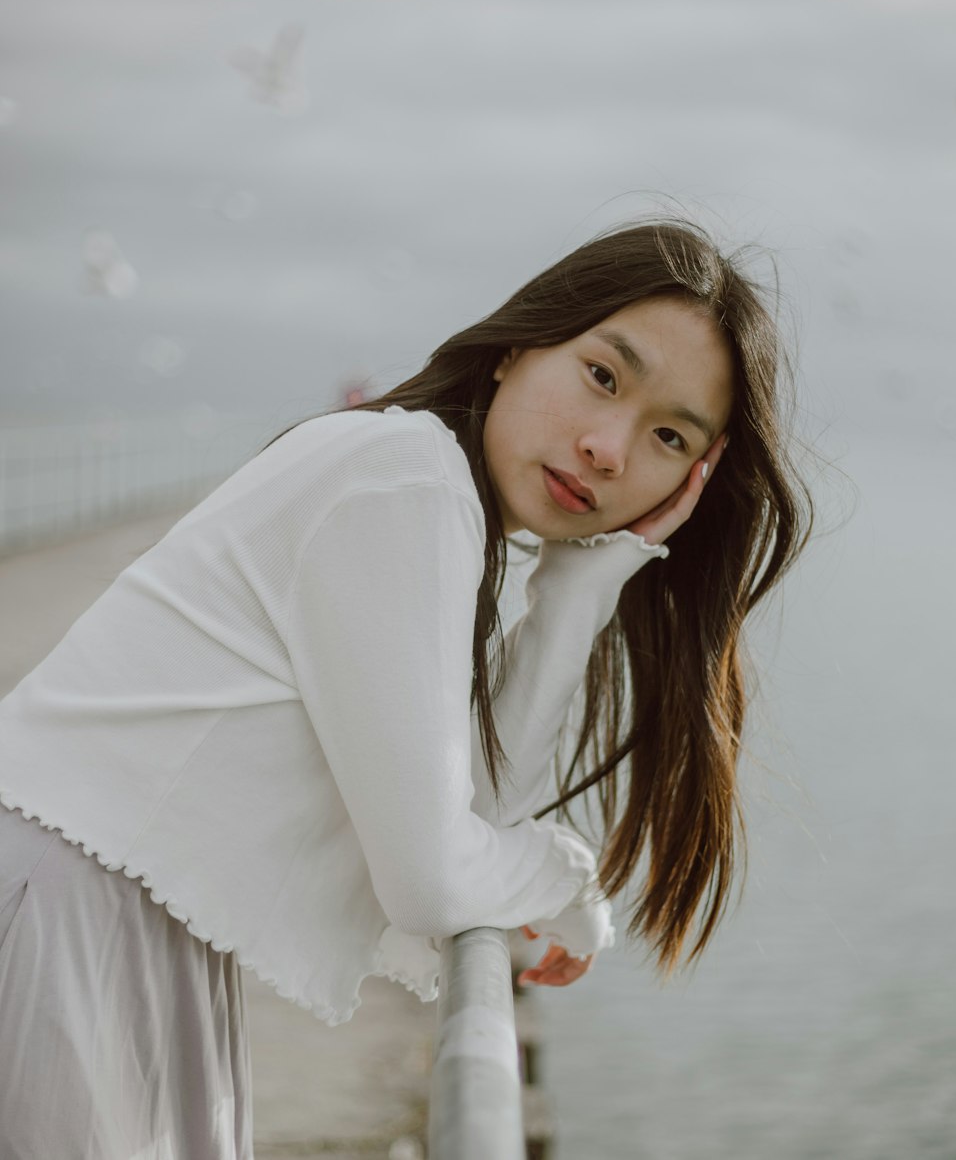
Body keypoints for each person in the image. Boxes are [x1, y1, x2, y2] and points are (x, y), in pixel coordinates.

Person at [0, 216, 814, 1158]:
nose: (608, 448)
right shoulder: (405, 479)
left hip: (122, 923)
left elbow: (467, 808)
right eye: (603, 375)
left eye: (667, 435)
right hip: (61, 910)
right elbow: (431, 879)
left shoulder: (433, 500)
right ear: (518, 344)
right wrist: (561, 874)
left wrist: (578, 592)